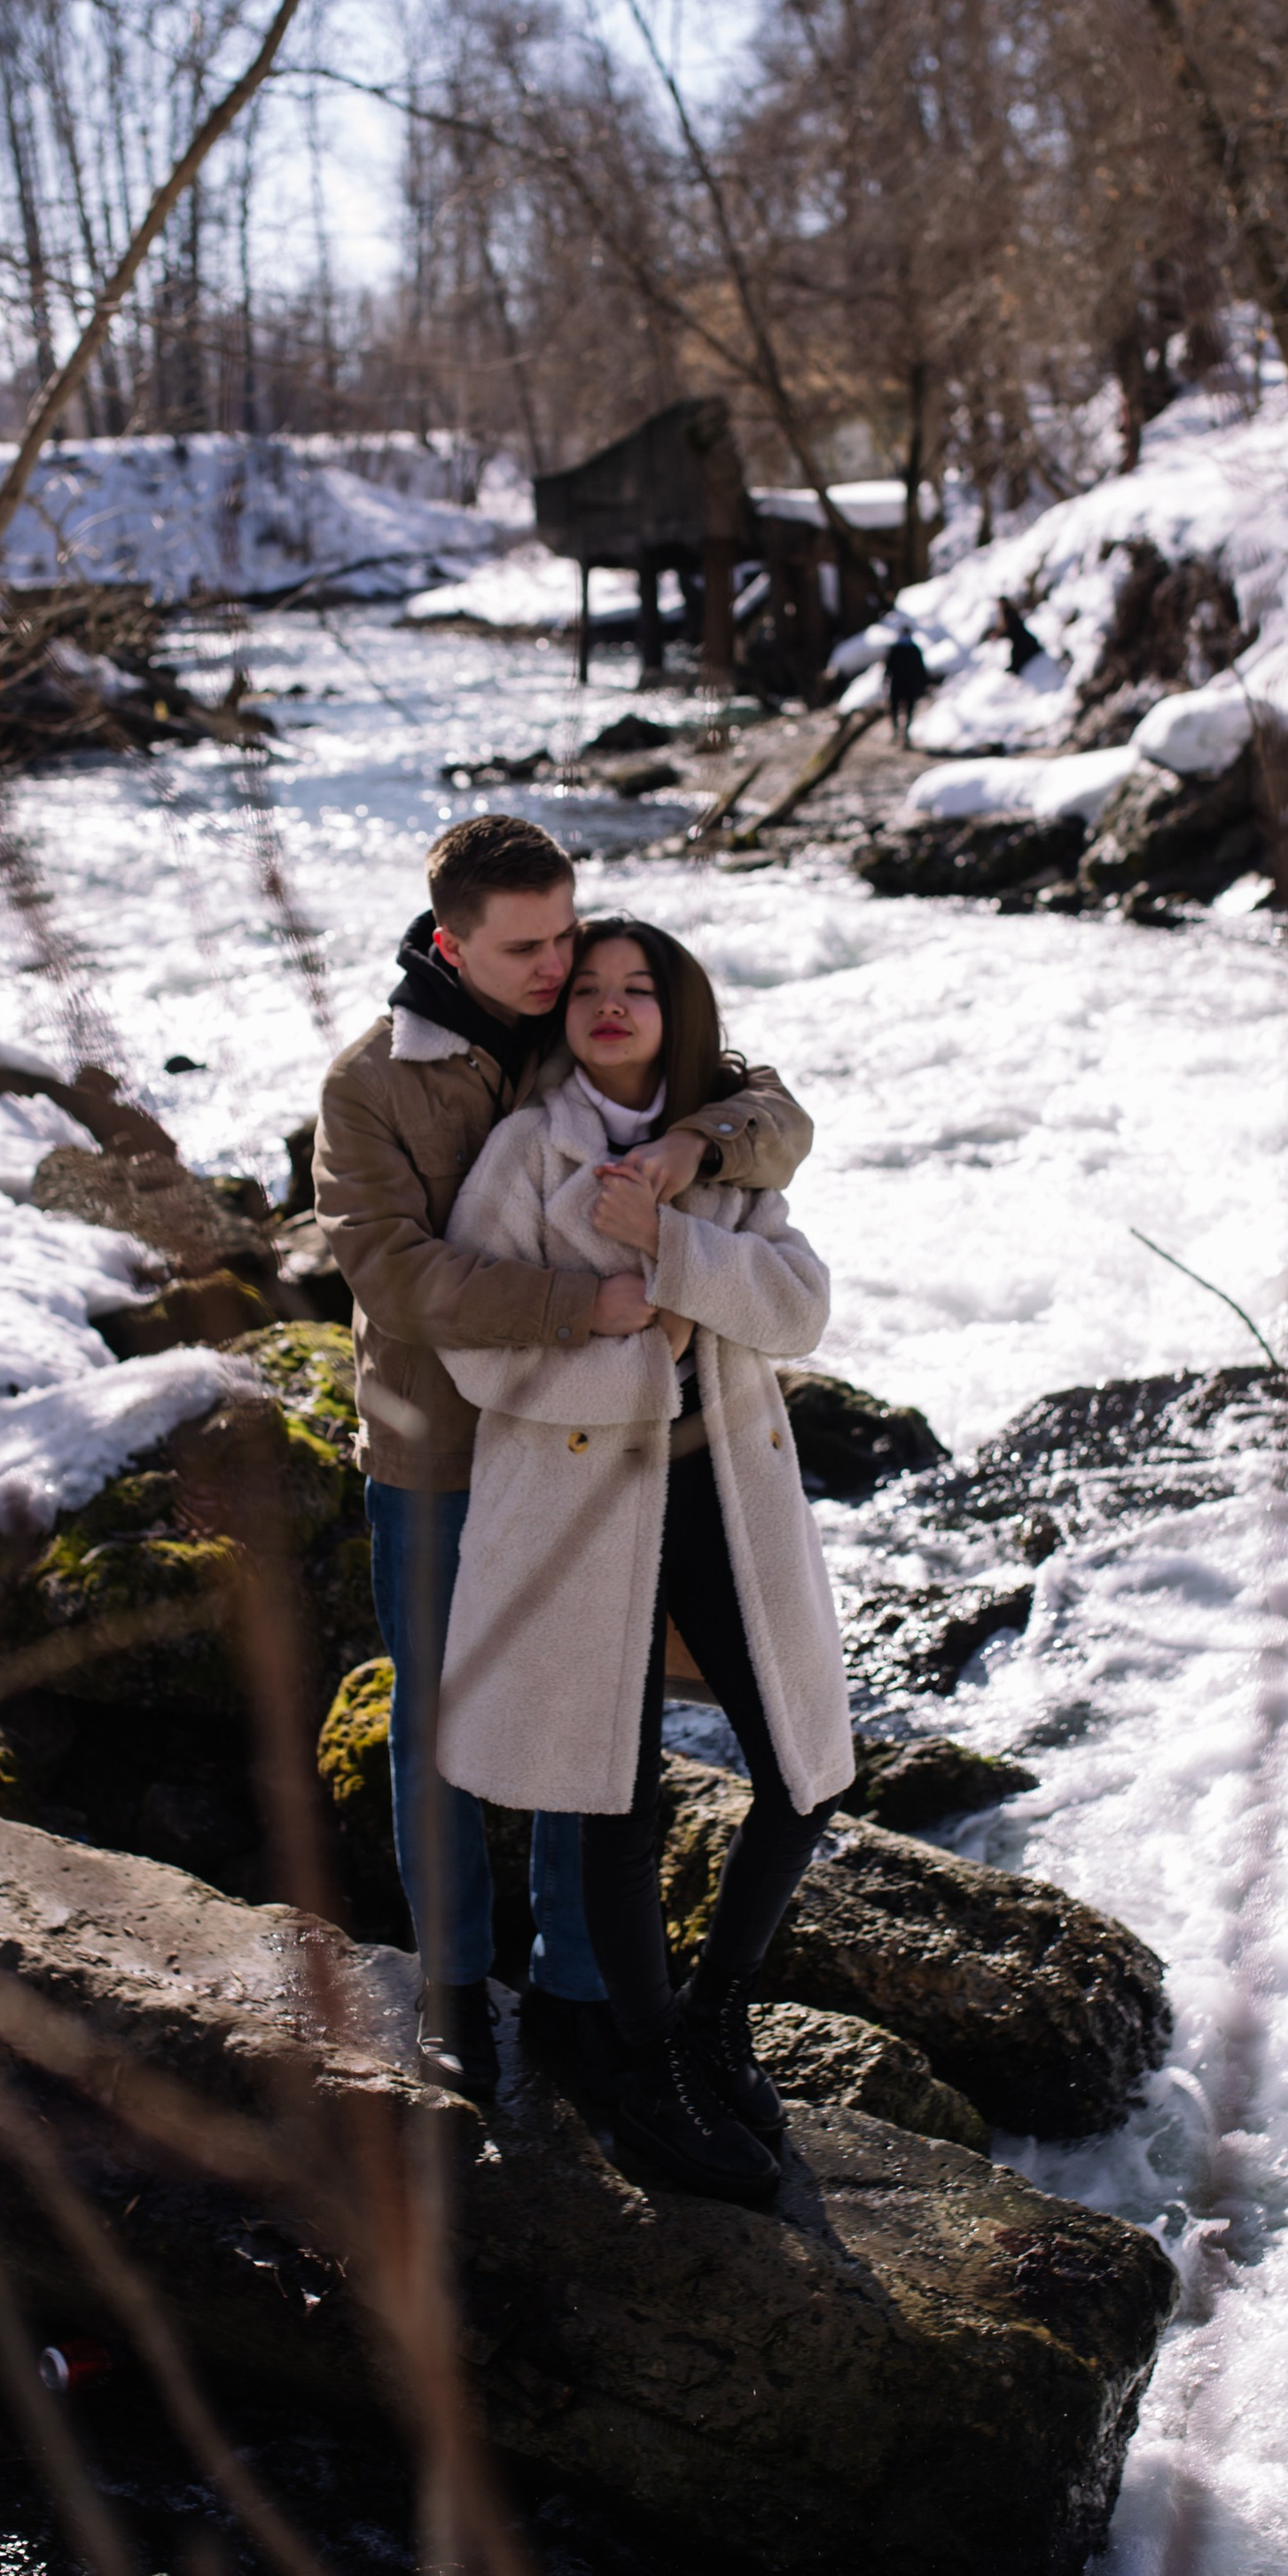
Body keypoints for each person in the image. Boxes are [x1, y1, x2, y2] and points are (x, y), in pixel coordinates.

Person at [312, 814, 814, 2108]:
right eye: (526, 947)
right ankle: (454, 1994)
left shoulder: (585, 1003)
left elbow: (779, 1113)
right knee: (440, 1725)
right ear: (448, 941)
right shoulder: (369, 1085)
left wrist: (697, 1142)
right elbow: (391, 1273)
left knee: (593, 1725)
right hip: (443, 1450)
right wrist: (575, 1311)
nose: (558, 965)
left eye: (565, 932)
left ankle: (583, 1997)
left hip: (594, 1449)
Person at [432, 917, 852, 2209]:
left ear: (679, 1011)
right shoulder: (523, 1154)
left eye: (640, 990)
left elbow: (801, 1306)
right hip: (579, 1504)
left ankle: (717, 2010)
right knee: (610, 1794)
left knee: (805, 1770)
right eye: (592, 989)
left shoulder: (719, 1148)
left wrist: (677, 1251)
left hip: (725, 1492)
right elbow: (475, 1345)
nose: (612, 1007)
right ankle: (648, 2053)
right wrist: (630, 1339)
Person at [883, 624, 930, 742]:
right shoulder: (898, 649)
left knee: (906, 709)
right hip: (901, 684)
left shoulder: (911, 649)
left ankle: (904, 733)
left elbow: (920, 669)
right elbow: (888, 668)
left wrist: (922, 684)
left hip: (906, 684)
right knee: (896, 709)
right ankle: (897, 732)